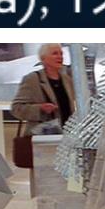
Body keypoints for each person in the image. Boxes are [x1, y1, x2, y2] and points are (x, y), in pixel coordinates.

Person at [11, 46, 77, 177]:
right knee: (46, 180)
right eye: (55, 54)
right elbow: (16, 108)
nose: (60, 57)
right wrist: (40, 108)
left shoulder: (67, 80)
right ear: (43, 59)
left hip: (66, 139)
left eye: (61, 53)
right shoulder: (32, 80)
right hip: (43, 139)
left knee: (67, 178)